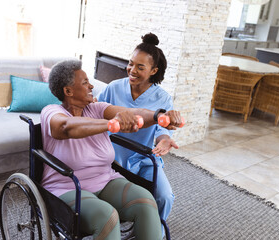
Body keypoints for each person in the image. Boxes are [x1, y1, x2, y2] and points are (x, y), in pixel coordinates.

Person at [40, 59, 182, 240]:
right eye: (85, 83)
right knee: (108, 218)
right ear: (68, 91)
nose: (91, 86)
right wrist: (109, 124)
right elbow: (66, 127)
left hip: (106, 179)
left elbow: (135, 113)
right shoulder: (51, 112)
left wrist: (158, 115)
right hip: (67, 187)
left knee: (147, 203)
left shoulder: (97, 108)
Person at [97, 33, 179, 227]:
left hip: (143, 159)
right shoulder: (113, 88)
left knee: (165, 197)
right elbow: (95, 113)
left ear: (153, 70)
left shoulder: (163, 98)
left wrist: (165, 140)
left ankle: (151, 231)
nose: (132, 70)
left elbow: (162, 130)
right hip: (111, 158)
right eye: (131, 63)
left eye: (140, 67)